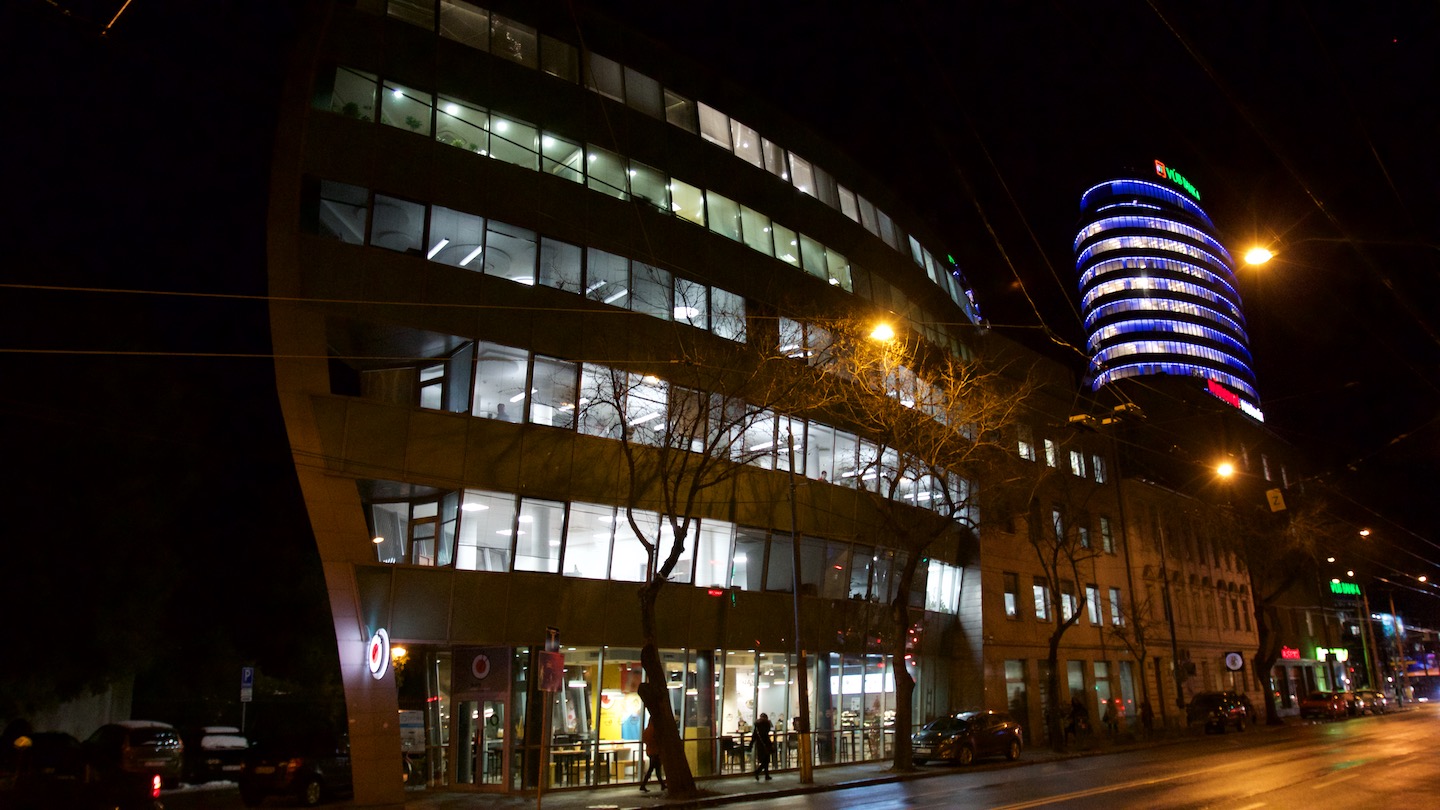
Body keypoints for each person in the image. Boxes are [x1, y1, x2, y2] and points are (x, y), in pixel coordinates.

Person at [639, 718, 664, 792]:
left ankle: (662, 785)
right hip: (656, 752)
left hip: (650, 751)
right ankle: (643, 785)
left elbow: (644, 740)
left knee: (655, 768)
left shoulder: (646, 731)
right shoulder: (655, 731)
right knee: (654, 769)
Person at [752, 712, 774, 781]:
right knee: (766, 761)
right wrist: (770, 744)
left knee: (765, 760)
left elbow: (754, 736)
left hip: (759, 745)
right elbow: (766, 736)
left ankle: (766, 775)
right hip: (766, 745)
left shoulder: (757, 725)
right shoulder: (766, 724)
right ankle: (757, 772)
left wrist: (751, 745)